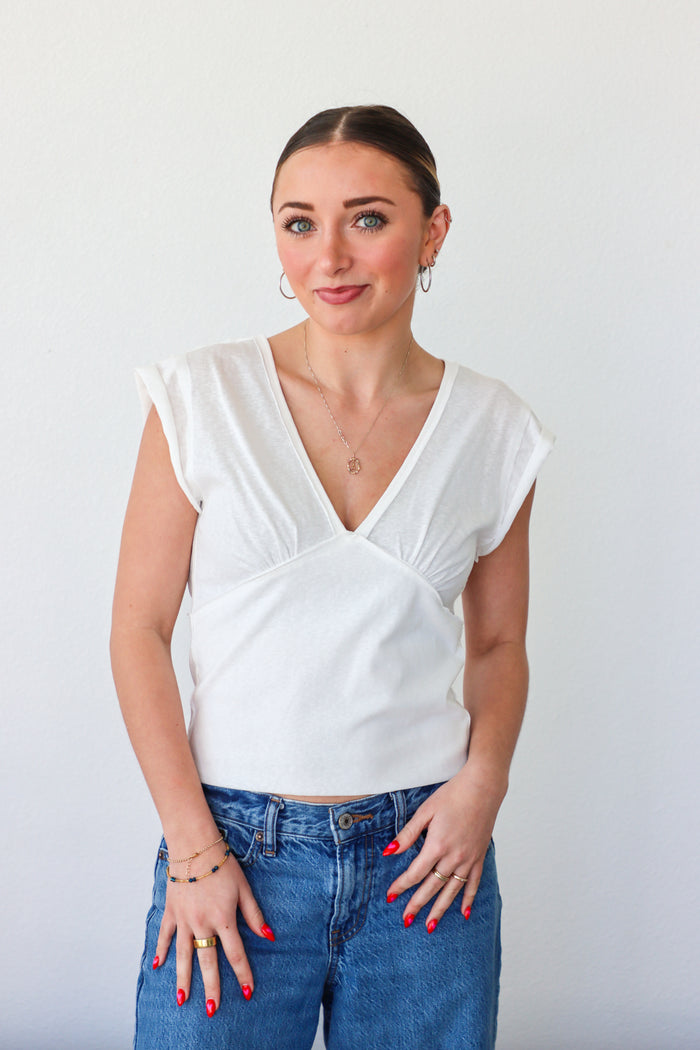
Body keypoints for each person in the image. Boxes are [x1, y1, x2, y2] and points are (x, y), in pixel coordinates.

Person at [110, 104, 554, 1050]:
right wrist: (194, 853)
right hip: (230, 856)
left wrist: (484, 786)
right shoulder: (200, 395)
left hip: (425, 864)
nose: (330, 257)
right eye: (299, 222)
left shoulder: (493, 427)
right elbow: (138, 630)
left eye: (368, 217)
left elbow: (502, 643)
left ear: (432, 230)